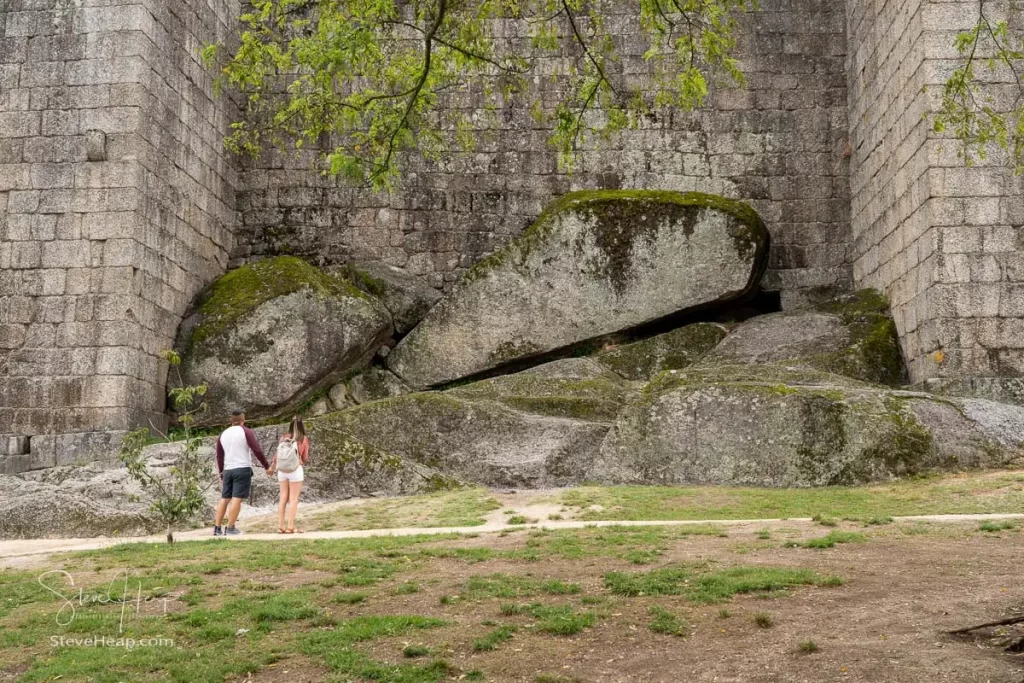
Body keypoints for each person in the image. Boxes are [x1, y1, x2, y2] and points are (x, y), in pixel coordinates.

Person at [213, 409, 271, 536]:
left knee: (224, 498)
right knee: (236, 499)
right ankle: (230, 528)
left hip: (228, 469)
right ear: (243, 420)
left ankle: (217, 528)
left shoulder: (223, 434)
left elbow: (219, 455)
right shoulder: (246, 432)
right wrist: (266, 466)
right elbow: (257, 450)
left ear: (231, 420)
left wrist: (222, 472)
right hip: (242, 468)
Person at [269, 416, 310, 534]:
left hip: (282, 471)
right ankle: (290, 526)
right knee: (293, 499)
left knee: (283, 498)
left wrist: (272, 467)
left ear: (291, 425)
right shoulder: (303, 439)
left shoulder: (284, 437)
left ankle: (280, 526)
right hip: (295, 470)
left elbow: (277, 455)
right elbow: (305, 457)